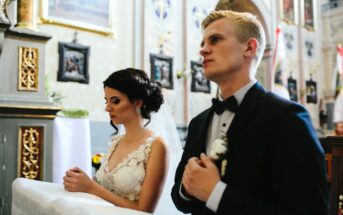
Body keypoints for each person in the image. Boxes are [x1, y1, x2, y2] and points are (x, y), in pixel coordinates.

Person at [171, 10, 328, 215]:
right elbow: (180, 201)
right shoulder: (198, 123)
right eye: (202, 44)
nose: (203, 50)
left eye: (215, 40)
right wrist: (187, 188)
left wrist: (215, 193)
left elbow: (310, 210)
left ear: (249, 47)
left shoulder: (287, 117)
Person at [63, 68, 167, 213]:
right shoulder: (116, 142)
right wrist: (79, 181)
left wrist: (91, 187)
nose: (107, 108)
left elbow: (144, 210)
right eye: (106, 101)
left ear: (138, 102)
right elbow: (104, 188)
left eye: (115, 101)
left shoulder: (156, 146)